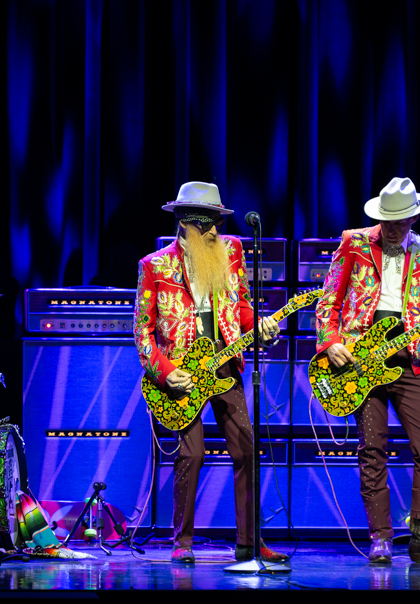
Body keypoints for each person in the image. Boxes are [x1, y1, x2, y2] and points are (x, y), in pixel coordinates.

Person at [315, 177, 420, 563]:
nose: (392, 229)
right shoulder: (353, 242)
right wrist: (330, 342)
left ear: (414, 218)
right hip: (360, 360)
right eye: (387, 221)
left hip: (409, 359)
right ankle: (381, 538)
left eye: (400, 222)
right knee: (372, 448)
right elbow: (328, 300)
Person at [135, 181, 287, 564]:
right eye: (207, 224)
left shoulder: (231, 252)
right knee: (192, 454)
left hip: (225, 362)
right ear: (186, 224)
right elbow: (142, 332)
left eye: (218, 222)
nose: (216, 231)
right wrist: (165, 373)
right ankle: (182, 542)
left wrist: (259, 325)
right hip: (183, 373)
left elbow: (242, 307)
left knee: (247, 448)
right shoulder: (155, 266)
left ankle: (249, 543)